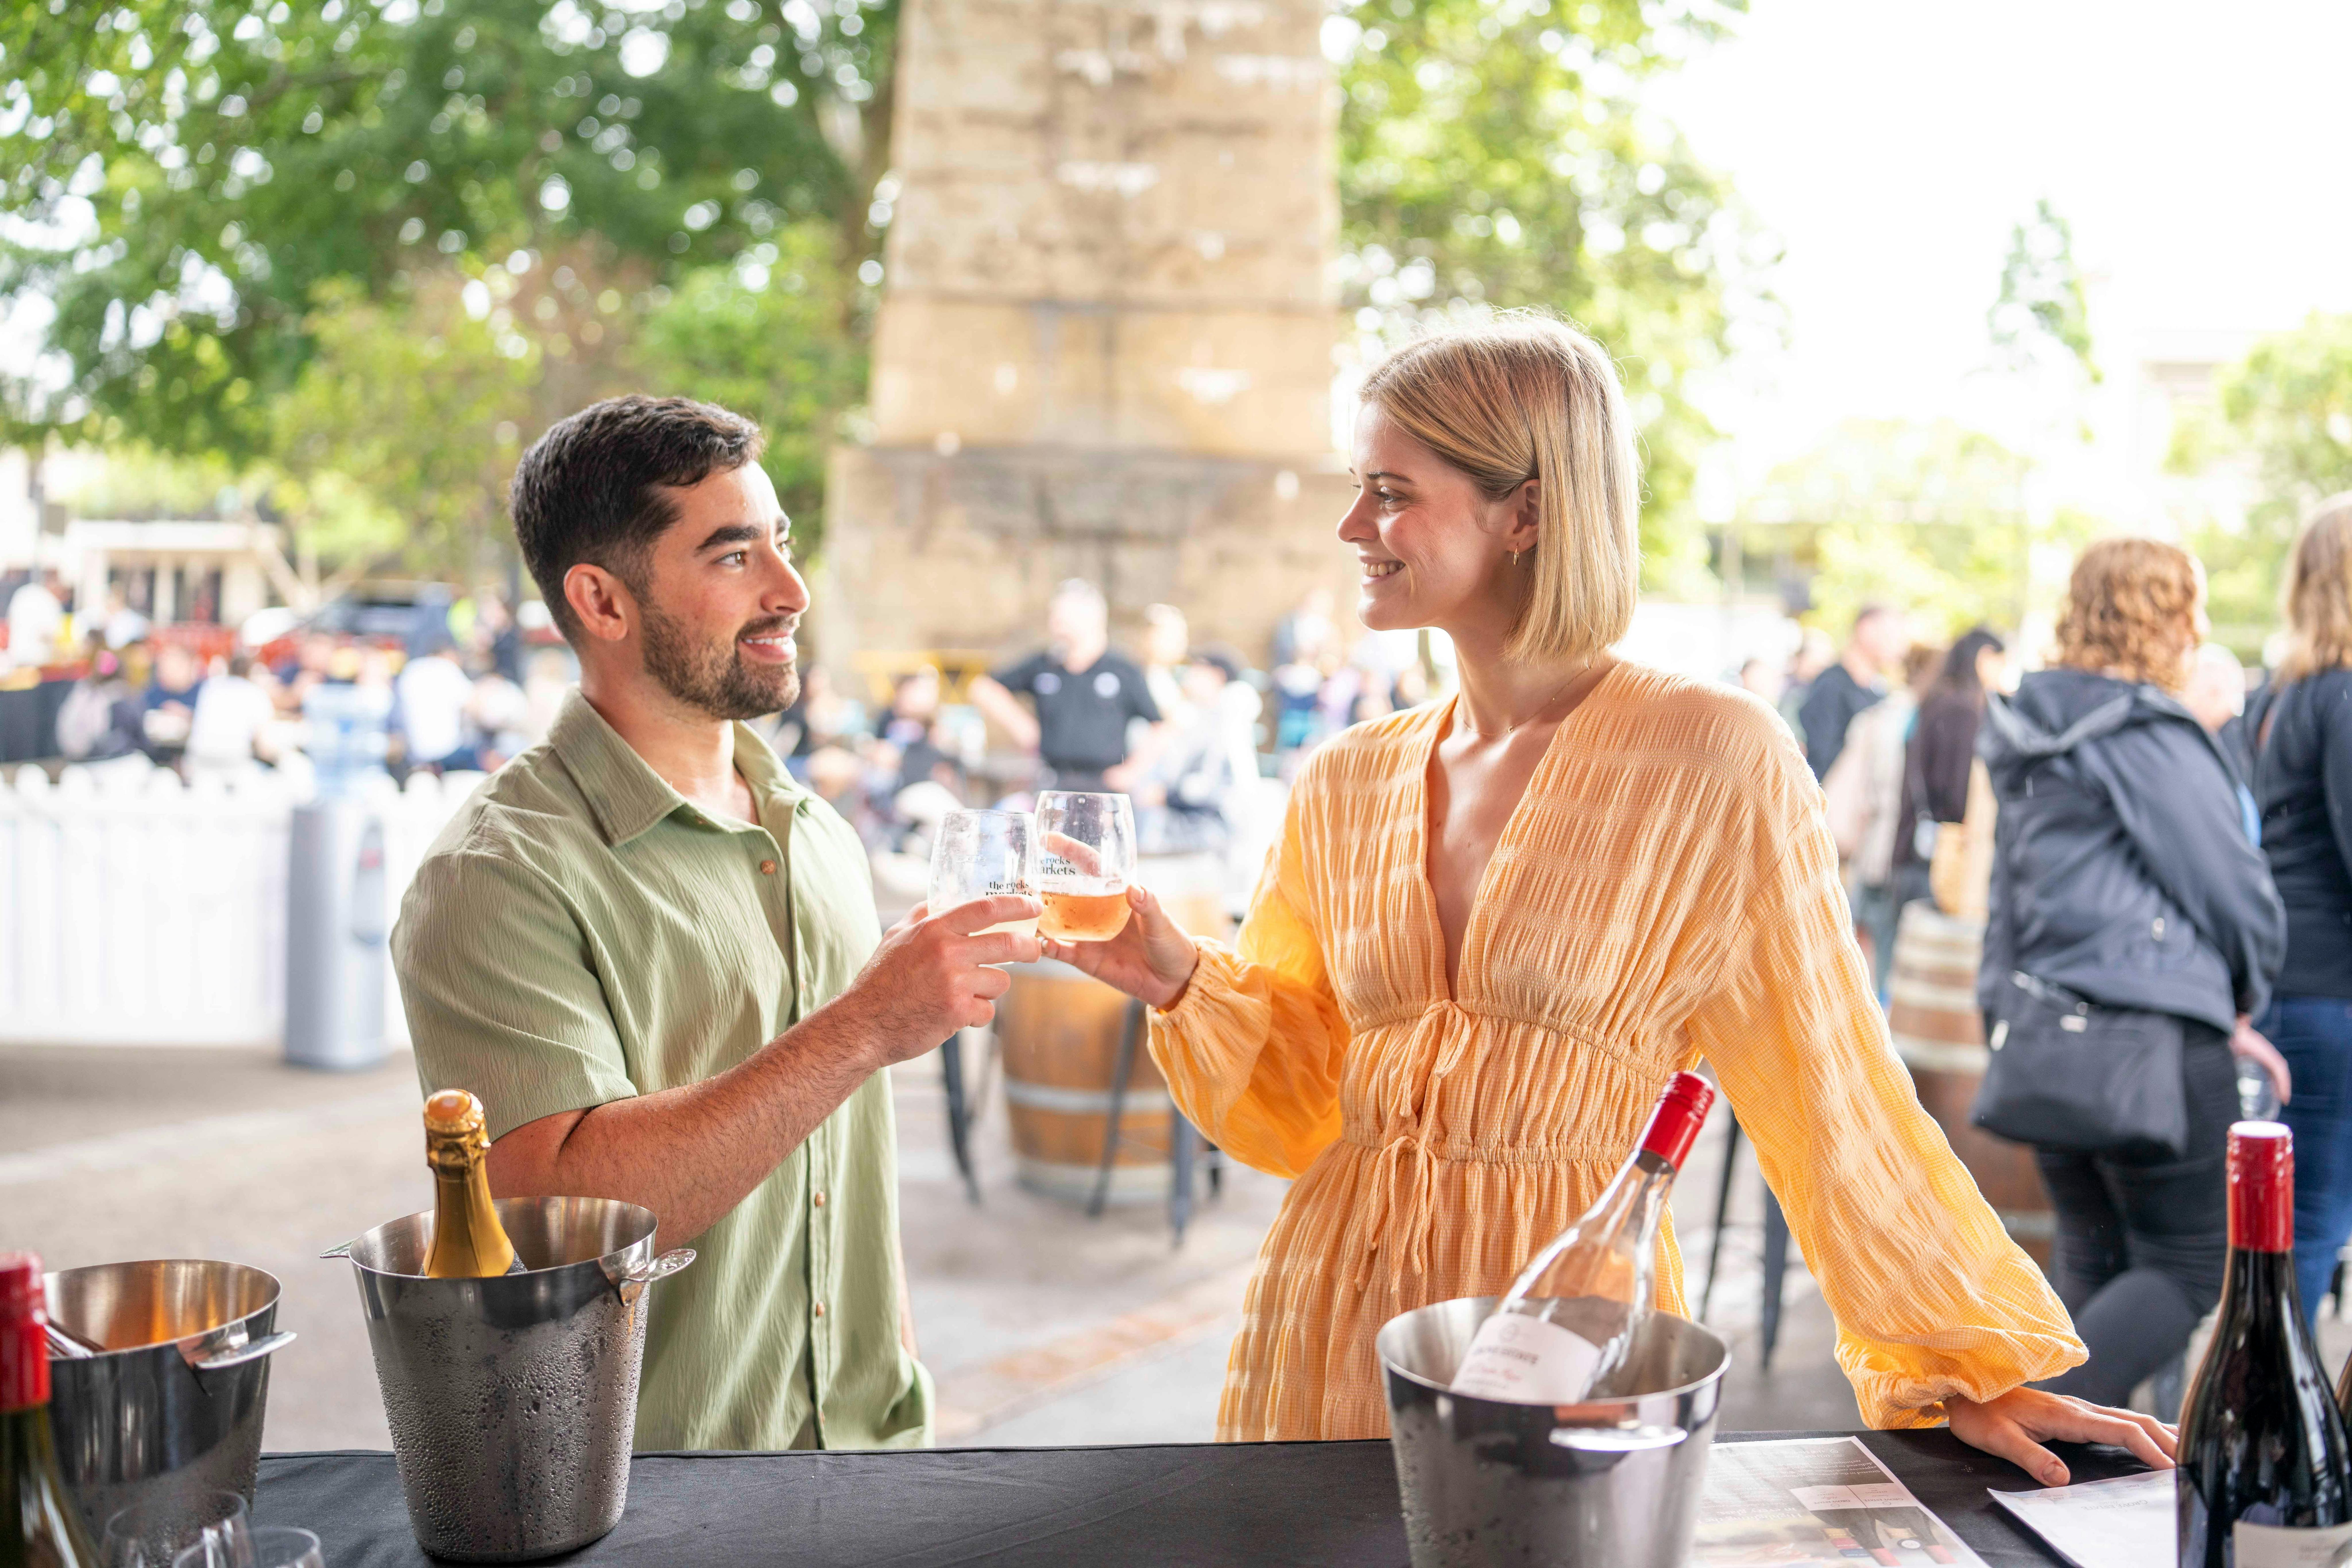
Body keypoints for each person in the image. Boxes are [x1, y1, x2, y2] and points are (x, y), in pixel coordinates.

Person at [1047, 316, 2172, 1483]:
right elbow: (1301, 1100)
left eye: (1388, 493)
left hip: (1567, 1341)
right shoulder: (1344, 777)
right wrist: (1177, 972)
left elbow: (1829, 1082)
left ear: (1524, 511)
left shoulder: (1713, 757)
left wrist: (1964, 1369)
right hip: (1325, 1322)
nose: (1349, 529)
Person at [391, 395, 1039, 1451]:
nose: (792, 590)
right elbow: (550, 1219)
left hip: (875, 1461)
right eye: (733, 556)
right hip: (656, 1500)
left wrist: (899, 1396)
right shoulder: (495, 876)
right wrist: (866, 1025)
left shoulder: (813, 827)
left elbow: (843, 1178)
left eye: (781, 542)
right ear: (600, 600)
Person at [1978, 538, 2287, 1407]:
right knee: (2189, 1268)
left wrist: (2000, 1010)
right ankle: (2010, 1427)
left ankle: (2039, 1491)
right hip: (2152, 1041)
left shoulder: (2030, 727)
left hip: (2048, 1035)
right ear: (2172, 617)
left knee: (2095, 1257)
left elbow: (2003, 901)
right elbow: (2233, 888)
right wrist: (2243, 1001)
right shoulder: (2147, 731)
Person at [2245, 495, 2352, 1327]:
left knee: (2290, 1229)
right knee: (2312, 1223)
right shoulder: (2344, 695)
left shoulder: (2281, 695)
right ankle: (2278, 1430)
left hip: (2284, 979)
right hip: (2330, 993)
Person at [969, 579, 1161, 793]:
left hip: (1104, 788)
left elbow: (1161, 726)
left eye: (1063, 619)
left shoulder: (1123, 670)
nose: (1055, 625)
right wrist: (1023, 727)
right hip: (1053, 782)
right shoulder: (1045, 665)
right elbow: (983, 688)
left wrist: (1133, 771)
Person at [1824, 644, 1940, 995]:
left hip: (1874, 850)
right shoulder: (1923, 720)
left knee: (1868, 951)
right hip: (1906, 851)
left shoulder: (1877, 718)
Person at [1892, 627, 2008, 915]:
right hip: (1940, 857)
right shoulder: (1963, 710)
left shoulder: (1935, 700)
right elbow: (1957, 790)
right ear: (1984, 658)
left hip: (1913, 847)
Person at [1799, 605, 1907, 779]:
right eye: (1895, 635)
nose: (1901, 647)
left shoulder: (1879, 690)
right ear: (1866, 629)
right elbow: (1822, 762)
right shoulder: (1830, 686)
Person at [185, 652, 280, 780]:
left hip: (197, 763)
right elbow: (265, 746)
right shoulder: (255, 693)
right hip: (235, 765)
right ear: (252, 671)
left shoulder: (210, 687)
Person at [2184, 641, 2253, 778]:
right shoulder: (2243, 733)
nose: (2187, 704)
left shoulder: (2230, 743)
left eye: (2192, 692)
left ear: (2215, 692)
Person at [6, 568, 65, 670]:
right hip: (40, 662)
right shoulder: (50, 601)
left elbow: (10, 621)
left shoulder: (23, 593)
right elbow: (54, 633)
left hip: (16, 658)